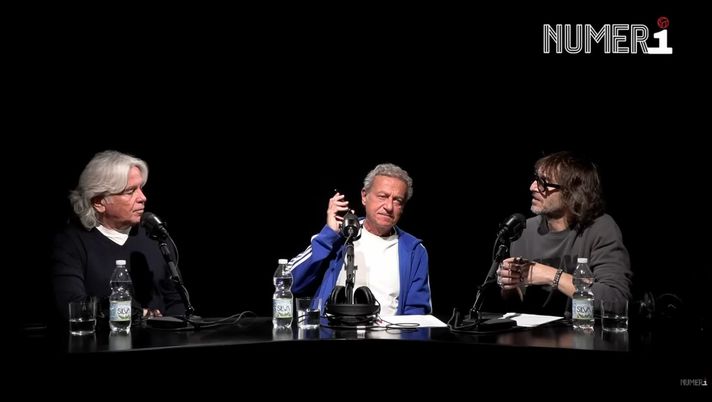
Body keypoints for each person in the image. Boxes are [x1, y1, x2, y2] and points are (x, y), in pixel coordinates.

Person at [52, 150, 185, 320]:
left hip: (162, 337)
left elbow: (177, 301)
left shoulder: (155, 237)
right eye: (130, 191)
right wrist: (139, 313)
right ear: (99, 202)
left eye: (141, 189)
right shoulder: (70, 242)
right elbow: (72, 305)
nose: (143, 198)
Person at [496, 151, 631, 317]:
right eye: (535, 179)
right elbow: (516, 306)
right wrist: (510, 286)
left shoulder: (600, 228)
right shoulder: (523, 231)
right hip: (534, 332)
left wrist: (551, 275)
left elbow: (616, 300)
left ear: (572, 192)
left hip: (583, 330)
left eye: (543, 183)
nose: (532, 187)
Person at [289, 163, 431, 316]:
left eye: (397, 200)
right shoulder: (340, 235)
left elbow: (418, 313)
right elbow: (289, 282)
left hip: (389, 331)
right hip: (331, 330)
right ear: (364, 196)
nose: (389, 207)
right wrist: (328, 235)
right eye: (382, 196)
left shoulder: (414, 251)